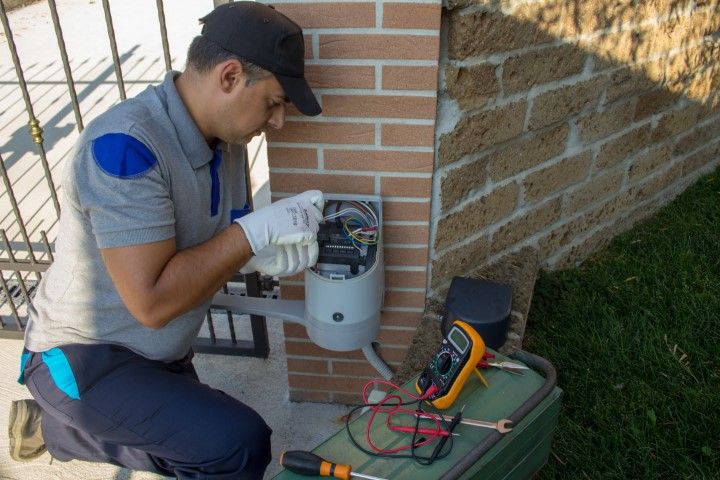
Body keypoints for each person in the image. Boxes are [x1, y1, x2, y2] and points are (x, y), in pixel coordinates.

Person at [8, 2, 324, 478]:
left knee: (201, 446)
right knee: (236, 444)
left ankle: (56, 431)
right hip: (85, 356)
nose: (278, 121)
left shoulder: (228, 141)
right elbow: (152, 303)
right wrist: (251, 234)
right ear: (230, 76)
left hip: (159, 353)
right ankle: (62, 420)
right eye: (275, 101)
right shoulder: (125, 145)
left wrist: (257, 252)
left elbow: (224, 237)